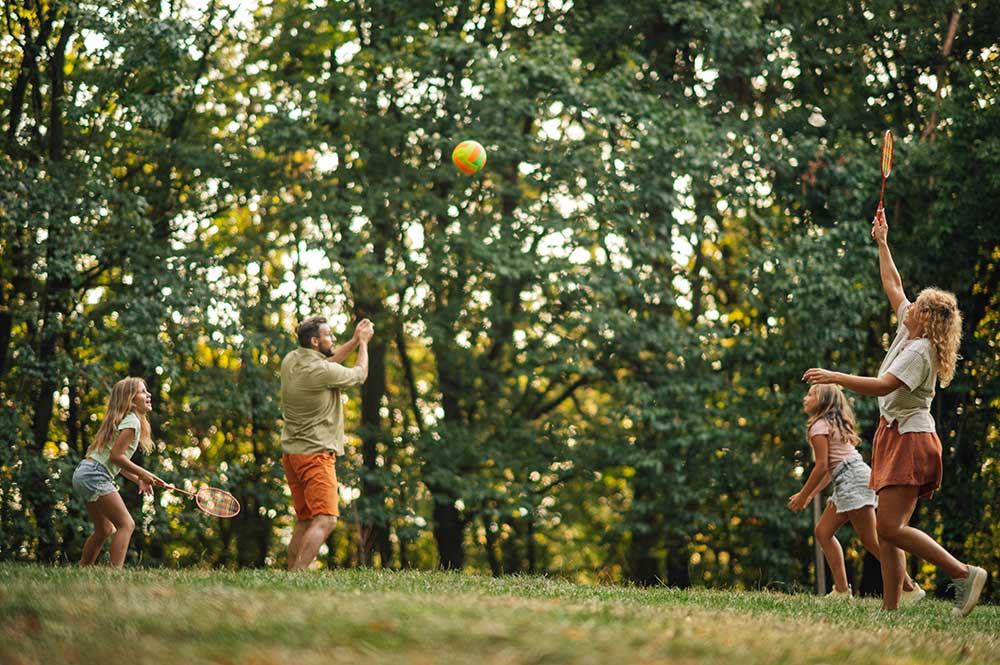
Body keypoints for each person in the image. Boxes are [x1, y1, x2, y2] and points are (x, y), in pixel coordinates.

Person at [803, 208, 987, 616]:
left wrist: (834, 376)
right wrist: (882, 242)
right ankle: (890, 610)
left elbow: (883, 386)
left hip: (911, 439)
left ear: (927, 320)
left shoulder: (920, 351)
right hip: (897, 435)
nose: (910, 306)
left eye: (918, 306)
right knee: (888, 533)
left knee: (889, 527)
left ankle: (963, 573)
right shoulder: (910, 330)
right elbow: (893, 284)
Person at [788, 384, 922, 603]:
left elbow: (821, 467)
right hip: (849, 478)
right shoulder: (830, 425)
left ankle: (909, 588)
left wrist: (803, 494)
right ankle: (841, 591)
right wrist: (811, 494)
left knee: (872, 541)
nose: (805, 398)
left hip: (852, 480)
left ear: (823, 401)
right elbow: (830, 471)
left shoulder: (818, 427)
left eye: (811, 395)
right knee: (823, 532)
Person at [280, 315, 373, 570]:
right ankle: (297, 575)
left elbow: (328, 362)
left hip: (293, 455)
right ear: (314, 341)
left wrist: (354, 340)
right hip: (315, 455)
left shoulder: (291, 360)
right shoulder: (322, 372)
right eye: (328, 335)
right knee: (326, 519)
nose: (333, 339)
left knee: (306, 520)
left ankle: (288, 575)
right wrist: (364, 344)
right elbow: (359, 374)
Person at [71, 377, 163, 567]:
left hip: (85, 472)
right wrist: (144, 473)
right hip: (95, 474)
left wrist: (138, 479)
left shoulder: (126, 420)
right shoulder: (132, 422)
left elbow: (117, 463)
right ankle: (114, 573)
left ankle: (82, 568)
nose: (148, 394)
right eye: (142, 391)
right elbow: (116, 457)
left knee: (104, 529)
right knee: (126, 524)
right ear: (131, 400)